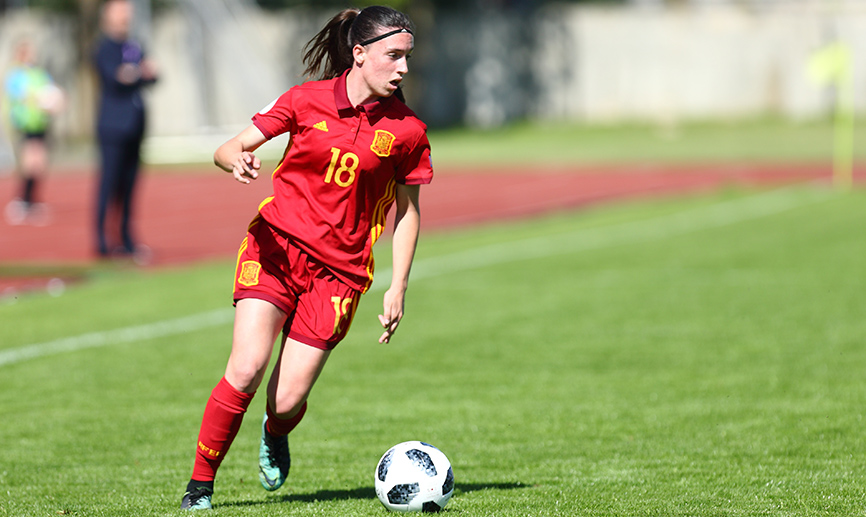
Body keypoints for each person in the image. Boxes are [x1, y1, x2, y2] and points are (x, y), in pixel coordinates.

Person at [179, 5, 433, 511]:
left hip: (339, 274)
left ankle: (275, 431)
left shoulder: (408, 131)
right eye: (394, 56)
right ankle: (199, 488)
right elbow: (228, 148)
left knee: (286, 400)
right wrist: (239, 160)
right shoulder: (304, 100)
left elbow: (408, 214)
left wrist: (398, 285)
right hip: (276, 249)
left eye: (407, 57)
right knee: (247, 367)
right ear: (359, 54)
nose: (403, 68)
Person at [92, 0, 158, 258]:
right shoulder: (103, 47)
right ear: (108, 17)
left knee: (130, 184)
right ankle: (101, 239)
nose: (125, 18)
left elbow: (152, 74)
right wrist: (138, 73)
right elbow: (116, 77)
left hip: (135, 124)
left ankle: (126, 237)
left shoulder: (135, 45)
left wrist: (139, 73)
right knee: (109, 182)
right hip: (112, 126)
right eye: (120, 13)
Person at [3, 38, 64, 226]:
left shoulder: (39, 74)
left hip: (40, 124)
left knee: (40, 163)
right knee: (30, 162)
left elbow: (52, 93)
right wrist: (38, 98)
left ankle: (32, 199)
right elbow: (20, 95)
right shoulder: (16, 75)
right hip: (25, 124)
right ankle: (23, 200)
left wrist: (55, 101)